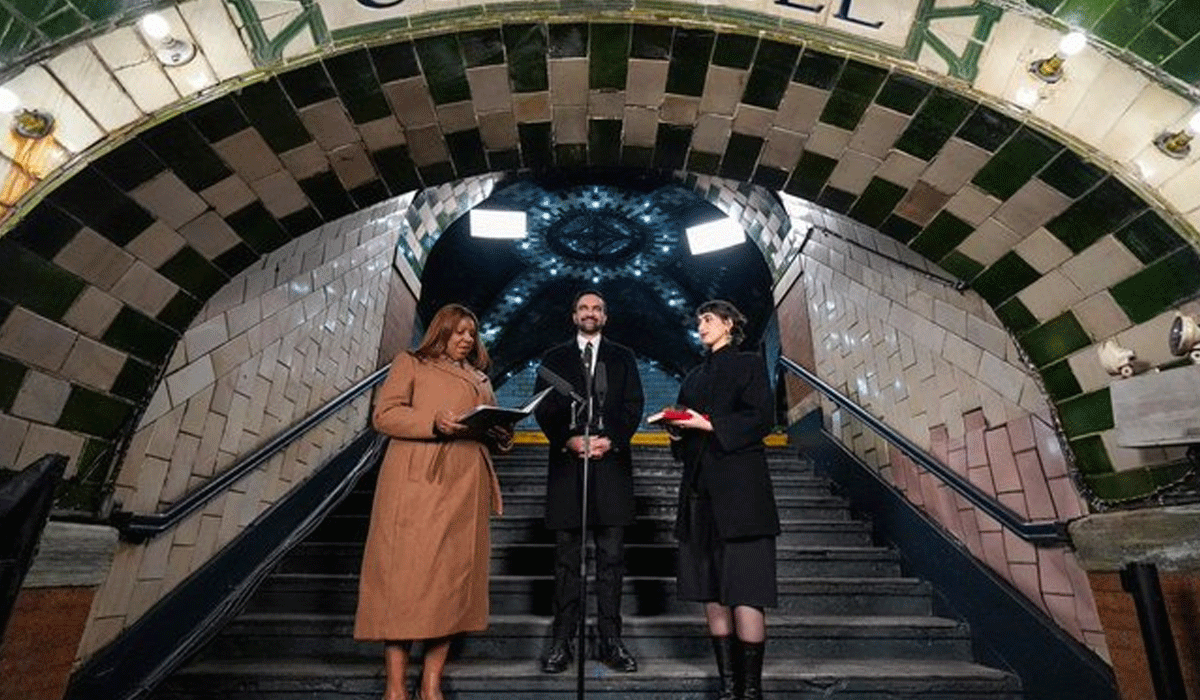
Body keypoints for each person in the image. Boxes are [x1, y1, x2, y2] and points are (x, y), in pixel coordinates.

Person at [354, 303, 513, 700]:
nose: (466, 339)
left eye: (471, 333)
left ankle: (431, 682)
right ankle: (394, 685)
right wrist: (432, 424)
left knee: (450, 584)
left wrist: (501, 434)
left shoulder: (479, 378)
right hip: (417, 482)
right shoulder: (410, 363)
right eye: (458, 331)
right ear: (440, 331)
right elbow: (385, 416)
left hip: (466, 486)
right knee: (405, 582)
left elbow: (494, 430)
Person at [658, 300, 779, 700]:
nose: (701, 326)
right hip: (698, 495)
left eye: (708, 319)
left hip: (743, 496)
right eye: (698, 321)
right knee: (710, 591)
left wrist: (707, 424)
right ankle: (729, 690)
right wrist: (676, 431)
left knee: (746, 590)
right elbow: (685, 441)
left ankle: (751, 690)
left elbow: (762, 417)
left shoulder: (748, 364)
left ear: (729, 323)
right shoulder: (692, 377)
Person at [533, 290, 645, 674]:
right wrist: (567, 439)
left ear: (605, 316)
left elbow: (634, 404)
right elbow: (543, 406)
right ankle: (561, 643)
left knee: (612, 561)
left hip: (611, 468)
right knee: (566, 561)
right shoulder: (553, 359)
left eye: (597, 307)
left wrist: (610, 438)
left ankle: (612, 642)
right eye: (584, 307)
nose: (590, 313)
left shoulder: (624, 357)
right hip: (568, 469)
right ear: (574, 315)